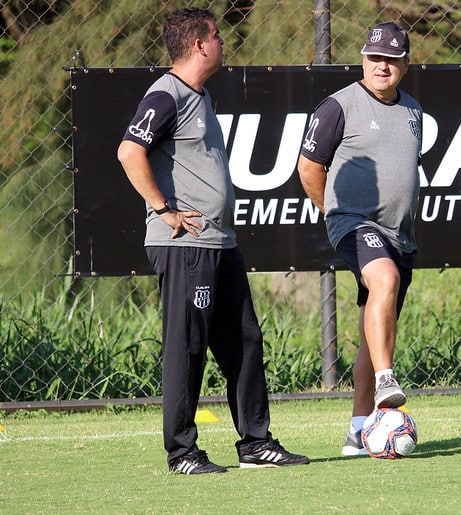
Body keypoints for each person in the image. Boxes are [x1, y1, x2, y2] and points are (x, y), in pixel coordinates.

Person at [117, 7, 309, 474]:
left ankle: (256, 444)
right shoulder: (166, 95)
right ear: (200, 45)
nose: (224, 42)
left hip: (220, 244)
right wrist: (164, 211)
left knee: (245, 341)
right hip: (185, 247)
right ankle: (182, 452)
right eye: (218, 36)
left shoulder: (198, 95)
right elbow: (129, 151)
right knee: (187, 348)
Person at [296, 22, 423, 456]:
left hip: (400, 235)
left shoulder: (413, 111)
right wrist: (332, 212)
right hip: (353, 223)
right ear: (363, 59)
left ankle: (358, 430)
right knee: (382, 281)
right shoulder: (338, 106)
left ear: (405, 65)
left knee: (377, 326)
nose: (381, 66)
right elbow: (309, 168)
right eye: (374, 58)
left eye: (390, 59)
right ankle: (388, 382)